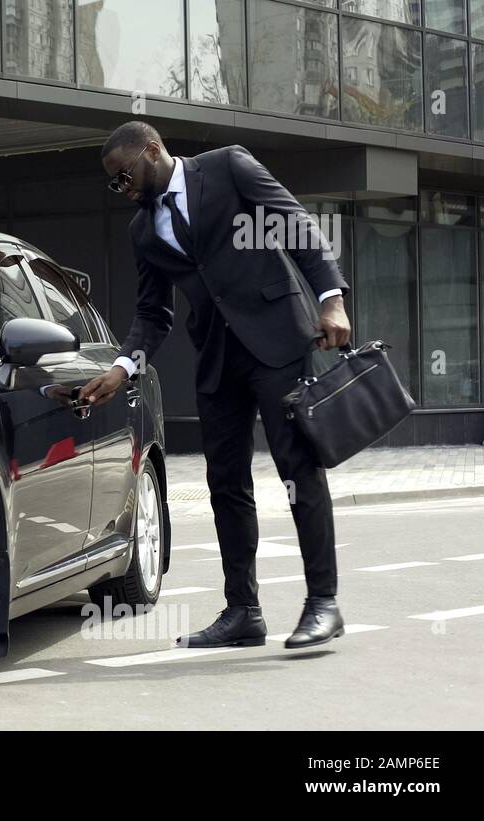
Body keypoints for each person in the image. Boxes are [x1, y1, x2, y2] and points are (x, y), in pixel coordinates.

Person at [81, 121, 351, 649]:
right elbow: (152, 313)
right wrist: (122, 367)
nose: (123, 188)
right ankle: (243, 612)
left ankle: (323, 602)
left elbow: (296, 225)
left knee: (298, 467)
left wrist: (331, 298)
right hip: (217, 358)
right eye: (113, 184)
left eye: (125, 175)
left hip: (276, 342)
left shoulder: (228, 167)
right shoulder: (142, 230)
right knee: (225, 483)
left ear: (153, 151)